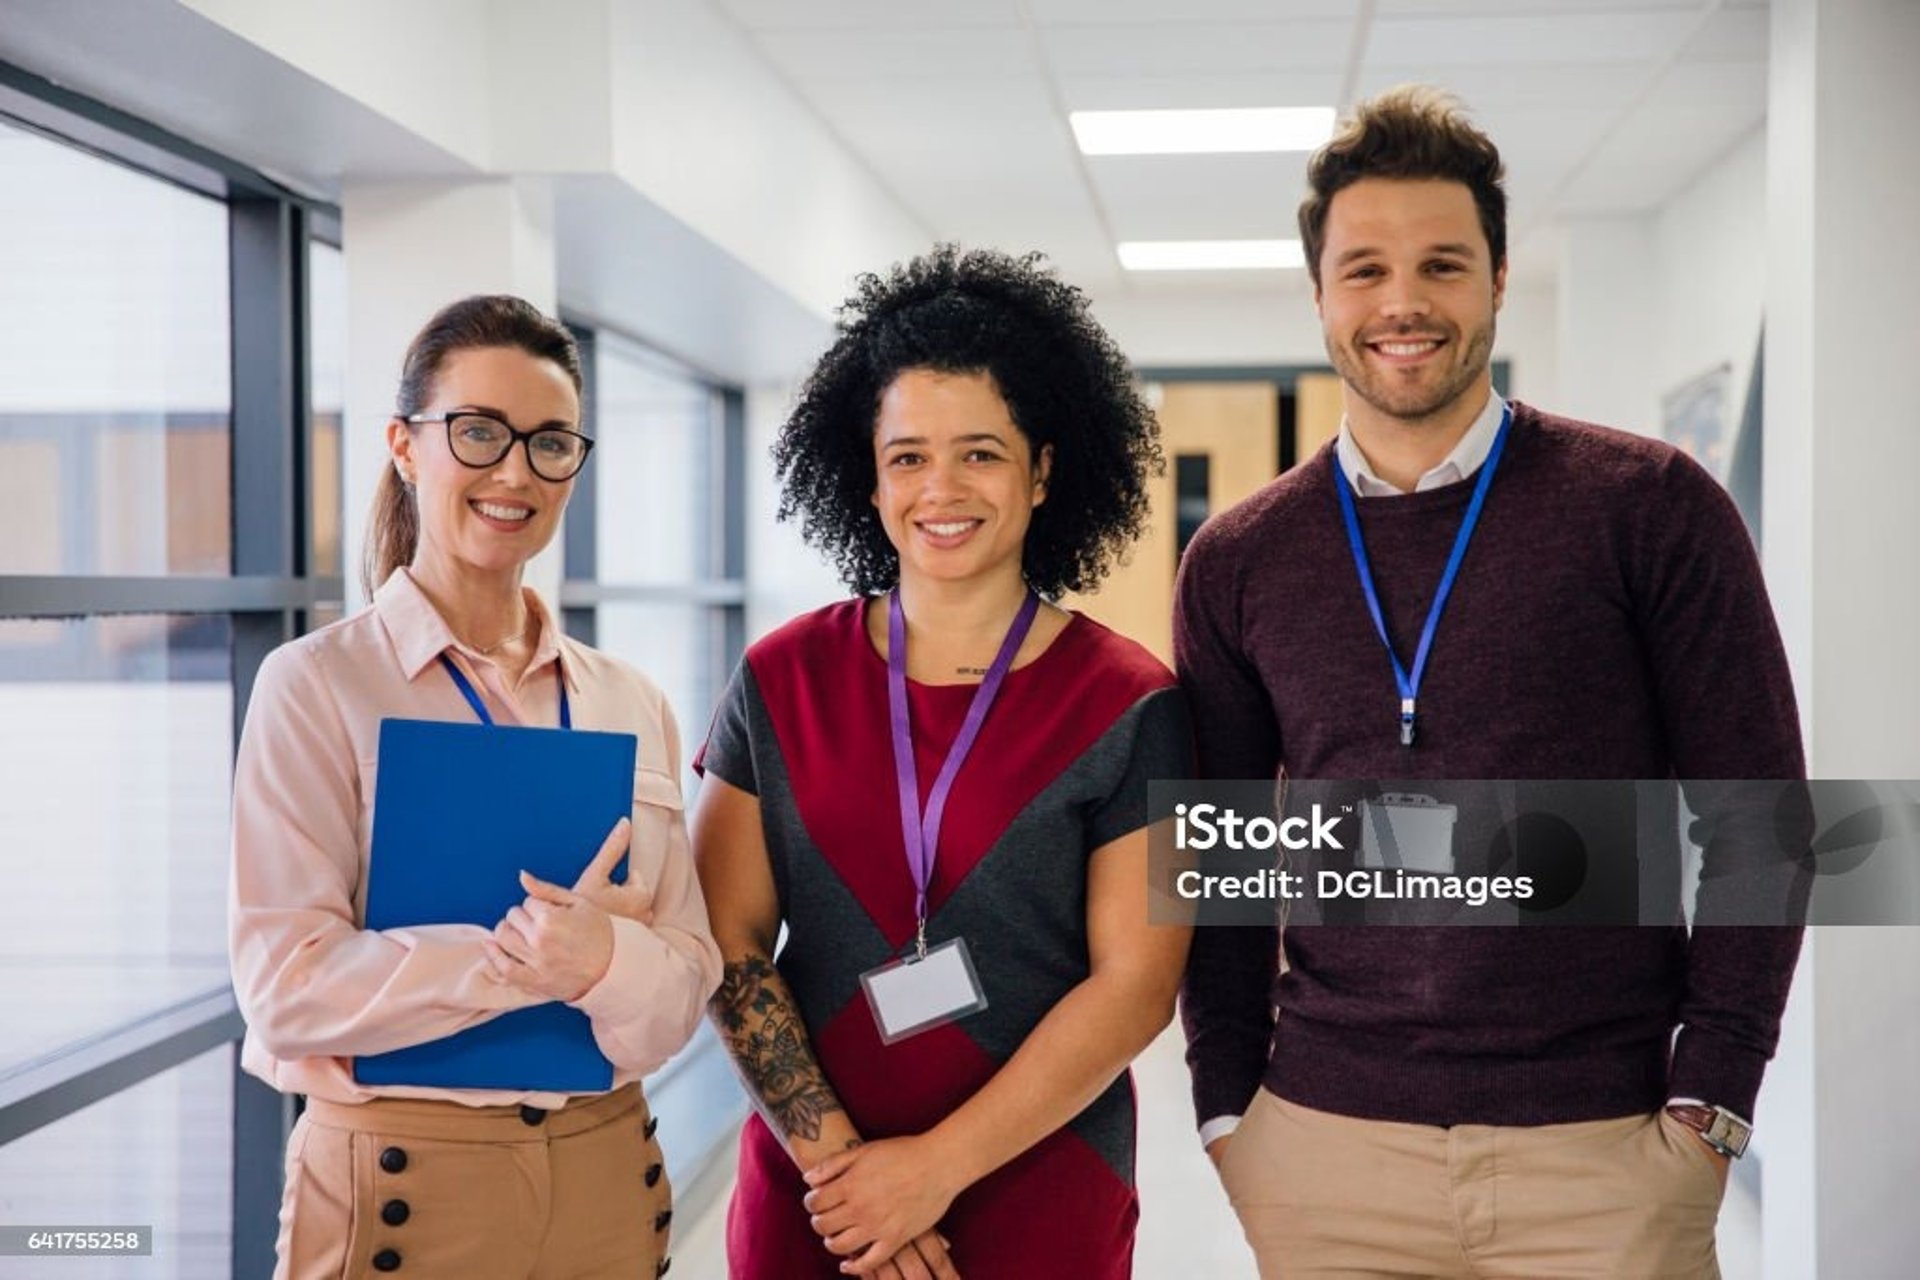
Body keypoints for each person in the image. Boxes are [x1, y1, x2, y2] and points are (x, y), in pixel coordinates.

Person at [1175, 87, 1808, 1279]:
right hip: (1325, 1153)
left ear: (1501, 278)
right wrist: (1227, 1108)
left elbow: (1764, 818)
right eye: (1363, 269)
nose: (1402, 302)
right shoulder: (1241, 558)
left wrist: (1713, 1097)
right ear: (1318, 293)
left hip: (1603, 1155)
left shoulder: (1649, 508)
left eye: (1443, 264)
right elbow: (1221, 855)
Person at [691, 246, 1192, 1279]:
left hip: (1040, 1174)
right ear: (866, 476)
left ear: (1044, 468)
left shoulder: (1129, 699)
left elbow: (1136, 984)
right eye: (909, 455)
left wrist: (933, 1169)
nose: (942, 488)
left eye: (982, 452)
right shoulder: (779, 678)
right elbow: (727, 940)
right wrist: (850, 1178)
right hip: (815, 1191)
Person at [230, 294, 721, 1279]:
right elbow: (285, 989)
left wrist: (608, 959)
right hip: (403, 1184)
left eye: (550, 442)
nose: (514, 471)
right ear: (406, 447)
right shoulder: (319, 683)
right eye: (479, 432)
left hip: (606, 1169)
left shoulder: (629, 699)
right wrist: (527, 961)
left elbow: (684, 985)